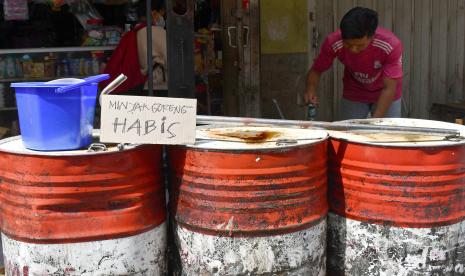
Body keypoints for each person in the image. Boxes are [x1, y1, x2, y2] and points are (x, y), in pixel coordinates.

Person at [305, 7, 403, 119]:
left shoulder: (390, 45)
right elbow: (317, 69)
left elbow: (389, 88)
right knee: (349, 132)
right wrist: (310, 89)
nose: (353, 49)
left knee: (384, 133)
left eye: (360, 45)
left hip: (385, 92)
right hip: (354, 91)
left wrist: (375, 121)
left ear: (372, 37)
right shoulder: (333, 42)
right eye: (348, 44)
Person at [136, 0, 168, 96]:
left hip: (139, 84)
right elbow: (170, 59)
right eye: (162, 12)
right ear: (154, 13)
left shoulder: (134, 32)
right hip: (157, 85)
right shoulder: (158, 33)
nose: (163, 16)